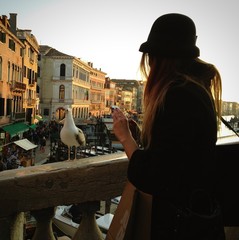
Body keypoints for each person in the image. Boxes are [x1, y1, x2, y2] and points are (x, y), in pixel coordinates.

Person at [112, 13, 225, 240]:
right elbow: (177, 155)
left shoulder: (178, 96)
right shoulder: (196, 91)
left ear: (156, 58)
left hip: (179, 229)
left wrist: (126, 139)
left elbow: (156, 177)